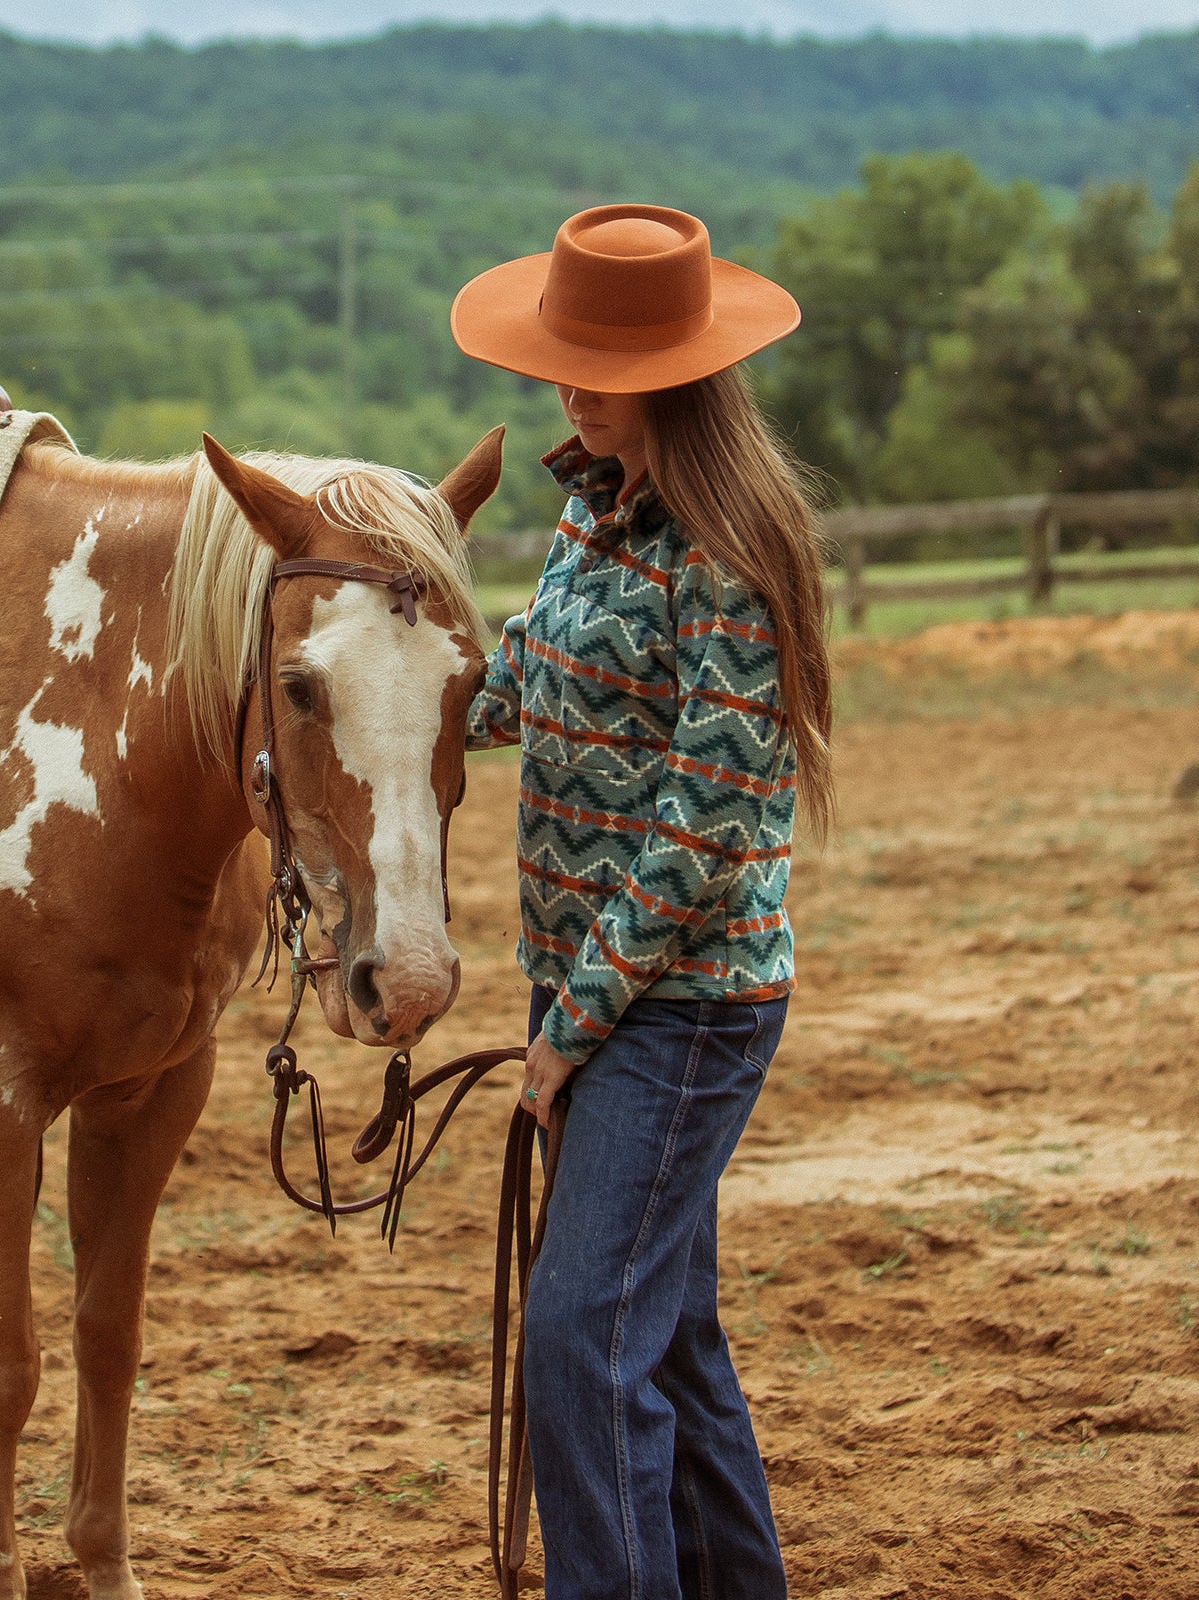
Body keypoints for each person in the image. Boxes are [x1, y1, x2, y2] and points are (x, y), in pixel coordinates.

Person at [452, 203, 833, 1600]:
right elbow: (526, 681)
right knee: (662, 1334)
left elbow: (707, 828)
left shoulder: (726, 552)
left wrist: (569, 1029)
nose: (569, 379)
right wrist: (405, 701)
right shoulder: (589, 504)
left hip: (683, 1005)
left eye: (600, 360)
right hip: (599, 993)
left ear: (681, 365)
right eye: (566, 351)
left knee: (579, 1337)